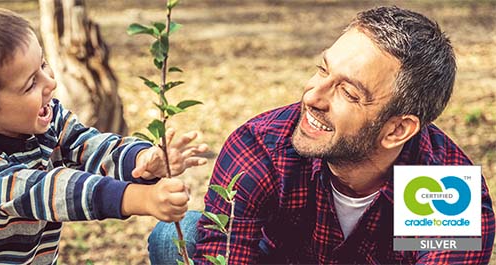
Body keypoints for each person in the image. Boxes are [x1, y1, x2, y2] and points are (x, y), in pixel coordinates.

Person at [148, 6, 494, 264]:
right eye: (323, 70)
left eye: (348, 92)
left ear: (397, 130)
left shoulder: (442, 186)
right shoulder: (260, 147)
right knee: (177, 236)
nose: (312, 97)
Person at [0, 6, 208, 264]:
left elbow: (91, 147)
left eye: (43, 64)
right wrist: (140, 198)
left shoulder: (46, 119)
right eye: (30, 84)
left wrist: (142, 159)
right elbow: (50, 190)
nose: (51, 82)